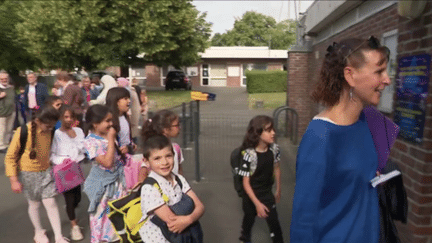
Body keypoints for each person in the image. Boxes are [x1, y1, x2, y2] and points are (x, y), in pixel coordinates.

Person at [290, 36, 391, 243]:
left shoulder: (366, 121)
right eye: (379, 71)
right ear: (350, 76)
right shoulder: (320, 137)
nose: (387, 80)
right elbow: (303, 222)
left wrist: (371, 176)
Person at [4, 106, 69, 243]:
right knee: (34, 204)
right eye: (48, 125)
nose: (50, 128)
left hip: (46, 172)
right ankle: (38, 231)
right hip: (28, 174)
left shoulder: (50, 131)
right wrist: (13, 180)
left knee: (51, 202)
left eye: (52, 125)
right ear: (38, 121)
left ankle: (58, 236)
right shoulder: (23, 131)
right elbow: (10, 156)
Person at [139, 135, 205, 243]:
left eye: (168, 156)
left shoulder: (179, 179)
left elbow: (200, 206)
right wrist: (191, 213)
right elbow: (173, 222)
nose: (164, 162)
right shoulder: (149, 188)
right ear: (146, 161)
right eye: (157, 158)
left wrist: (188, 219)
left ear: (174, 155)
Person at [82, 104, 127, 243]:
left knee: (117, 215)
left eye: (111, 120)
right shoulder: (90, 142)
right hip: (102, 186)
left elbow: (114, 157)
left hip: (117, 183)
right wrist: (111, 139)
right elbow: (107, 163)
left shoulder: (106, 135)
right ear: (95, 124)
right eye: (107, 121)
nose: (111, 124)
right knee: (102, 217)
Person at [237, 115, 283, 243]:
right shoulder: (248, 155)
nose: (273, 133)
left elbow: (277, 168)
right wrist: (257, 204)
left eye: (273, 129)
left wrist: (278, 189)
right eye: (268, 130)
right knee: (249, 219)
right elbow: (245, 183)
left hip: (267, 194)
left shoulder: (275, 150)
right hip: (251, 195)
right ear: (258, 133)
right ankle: (244, 237)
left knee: (274, 223)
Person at [50, 105, 86, 241]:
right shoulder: (56, 134)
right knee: (70, 199)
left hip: (76, 169)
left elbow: (84, 149)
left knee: (77, 197)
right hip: (64, 171)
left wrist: (75, 137)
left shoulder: (78, 131)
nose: (69, 119)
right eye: (65, 117)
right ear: (60, 117)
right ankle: (74, 226)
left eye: (71, 117)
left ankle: (71, 209)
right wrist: (62, 160)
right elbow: (52, 154)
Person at [142, 109, 184, 175]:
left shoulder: (176, 148)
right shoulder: (153, 149)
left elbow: (179, 172)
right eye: (177, 125)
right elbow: (143, 175)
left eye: (169, 156)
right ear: (165, 129)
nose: (180, 127)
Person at [106, 87, 137, 155]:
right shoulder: (108, 121)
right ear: (116, 101)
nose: (129, 101)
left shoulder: (125, 116)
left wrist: (131, 144)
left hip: (128, 155)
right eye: (125, 98)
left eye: (128, 98)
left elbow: (126, 137)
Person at [117, 77, 141, 144]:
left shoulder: (126, 91)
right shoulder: (129, 89)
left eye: (118, 82)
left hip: (131, 112)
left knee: (131, 130)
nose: (117, 84)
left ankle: (133, 143)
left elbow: (129, 104)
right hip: (132, 111)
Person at [0, 71, 16, 152]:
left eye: (5, 78)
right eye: (2, 79)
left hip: (11, 112)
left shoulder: (10, 88)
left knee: (9, 129)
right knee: (1, 130)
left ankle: (6, 143)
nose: (4, 80)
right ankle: (1, 146)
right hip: (1, 113)